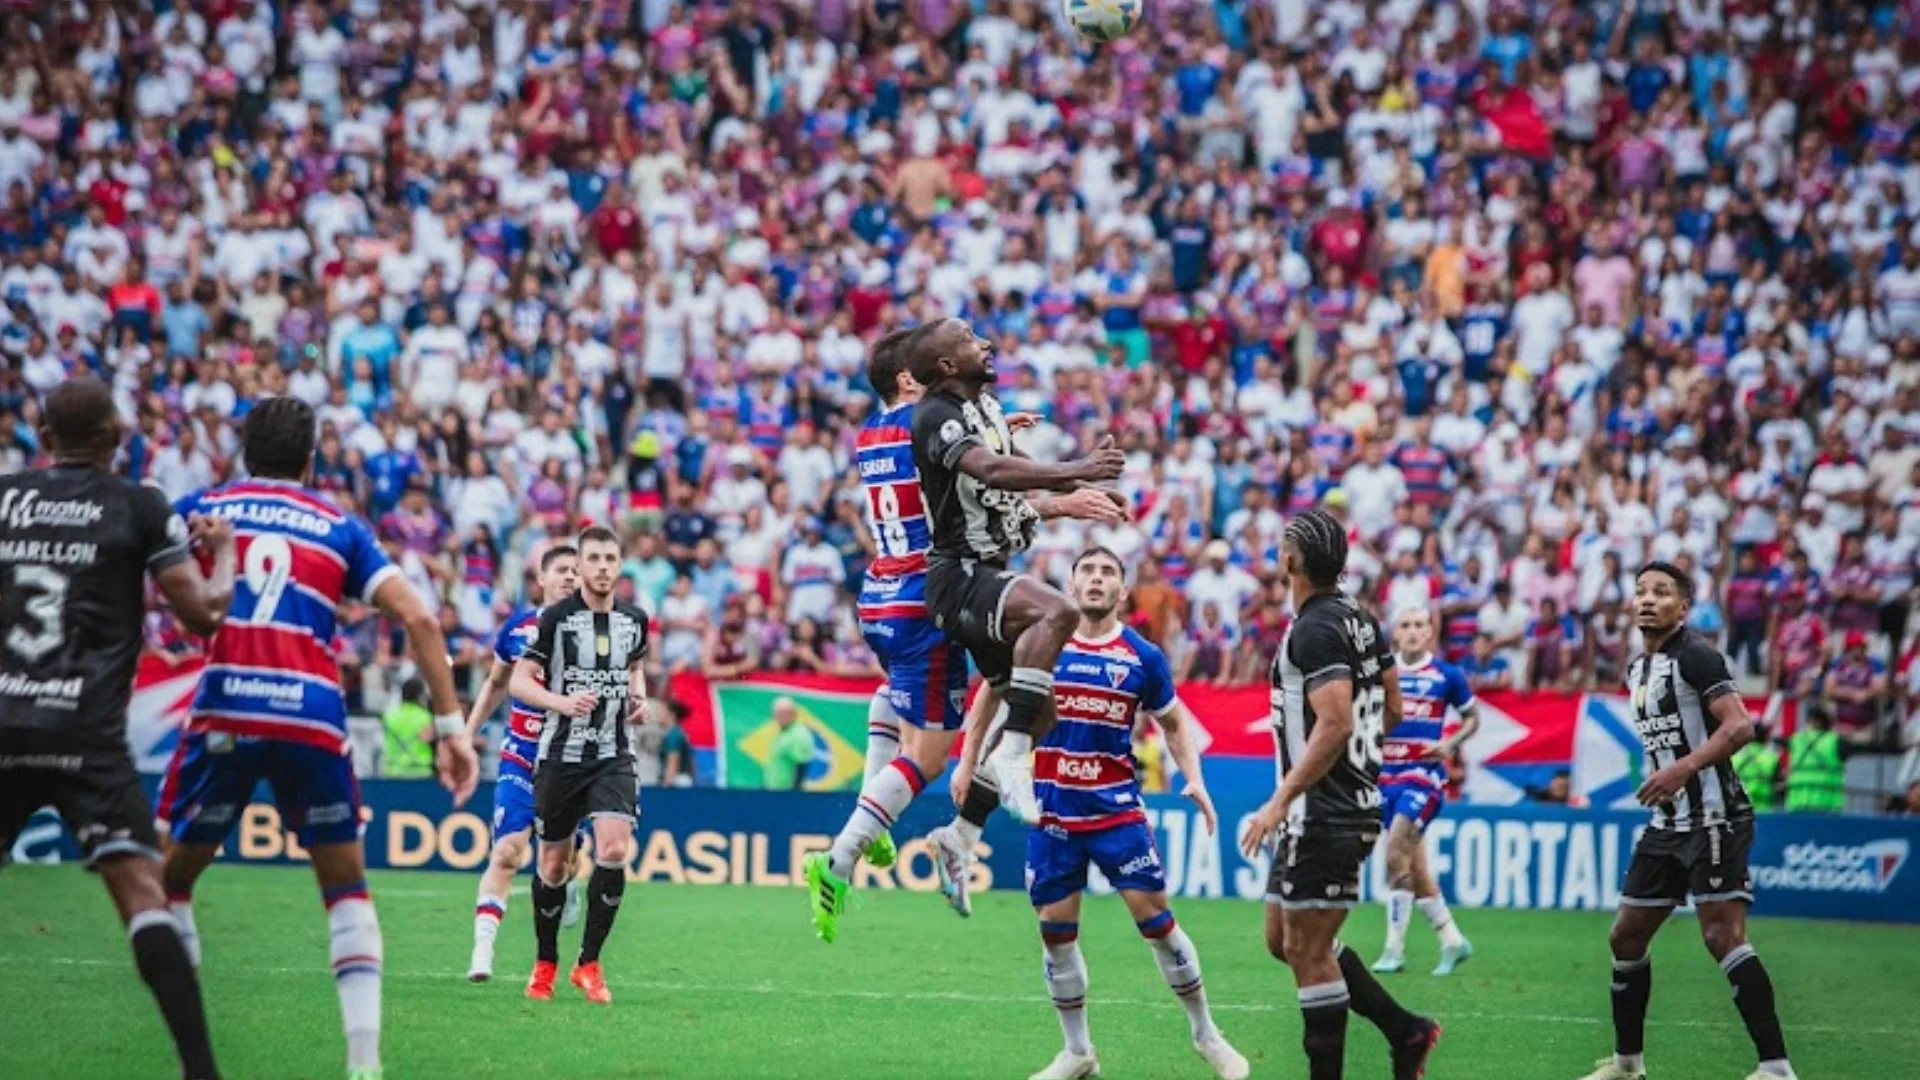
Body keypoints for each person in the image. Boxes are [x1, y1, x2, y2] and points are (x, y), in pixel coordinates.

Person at [158, 394, 477, 1080]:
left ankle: (192, 1057)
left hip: (226, 711)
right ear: (311, 457)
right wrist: (452, 728)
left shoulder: (200, 509)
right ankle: (364, 1064)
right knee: (346, 890)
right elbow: (420, 620)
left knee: (169, 883)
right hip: (310, 714)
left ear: (244, 451)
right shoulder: (339, 525)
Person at [805, 326, 1126, 939]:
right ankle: (843, 854)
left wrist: (999, 430)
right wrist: (1061, 484)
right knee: (930, 751)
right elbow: (980, 486)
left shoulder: (873, 432)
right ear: (911, 378)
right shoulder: (925, 423)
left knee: (1014, 698)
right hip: (925, 591)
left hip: (882, 588)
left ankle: (940, 831)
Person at [0, 377, 237, 1080]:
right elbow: (202, 617)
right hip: (84, 732)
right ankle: (201, 1072)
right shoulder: (139, 504)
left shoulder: (5, 496)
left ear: (44, 441)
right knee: (142, 895)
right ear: (117, 436)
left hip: (4, 721)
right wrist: (221, 552)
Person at [967, 547, 1248, 1080]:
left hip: (1116, 811)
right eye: (1087, 572)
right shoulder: (1040, 644)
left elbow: (1173, 723)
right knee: (1055, 932)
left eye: (1107, 574)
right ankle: (1077, 1052)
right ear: (1072, 587)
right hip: (1051, 813)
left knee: (1158, 924)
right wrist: (967, 764)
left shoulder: (1143, 657)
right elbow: (990, 695)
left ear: (1123, 591)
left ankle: (1206, 1034)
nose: (1096, 580)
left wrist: (1195, 779)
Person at [1239, 509, 1440, 1080]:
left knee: (1307, 951)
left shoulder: (1317, 628)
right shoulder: (1361, 619)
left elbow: (1334, 723)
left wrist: (1281, 799)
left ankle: (1375, 1052)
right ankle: (1407, 1030)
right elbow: (1393, 709)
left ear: (1291, 560)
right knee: (1284, 940)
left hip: (1322, 812)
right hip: (1333, 806)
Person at [900, 317, 1125, 824]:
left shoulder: (984, 407)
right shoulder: (936, 415)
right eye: (969, 340)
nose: (985, 343)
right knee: (1059, 611)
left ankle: (961, 835)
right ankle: (1011, 750)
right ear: (947, 364)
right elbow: (991, 469)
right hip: (959, 577)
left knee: (1041, 711)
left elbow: (1009, 459)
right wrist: (1078, 468)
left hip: (988, 576)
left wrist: (1076, 492)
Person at [1575, 562, 1795, 1080]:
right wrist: (1668, 777)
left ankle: (1777, 1068)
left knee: (1722, 936)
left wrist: (1683, 768)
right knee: (1626, 936)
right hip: (1668, 823)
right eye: (1641, 592)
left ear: (1683, 606)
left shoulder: (1696, 655)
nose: (1648, 600)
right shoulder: (1637, 669)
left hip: (1715, 817)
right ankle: (1628, 1066)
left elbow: (1740, 727)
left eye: (1662, 592)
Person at [508, 525, 650, 1005]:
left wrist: (639, 697)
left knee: (612, 849)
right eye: (595, 559)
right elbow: (519, 682)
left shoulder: (635, 620)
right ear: (582, 566)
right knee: (553, 865)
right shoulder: (555, 620)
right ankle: (545, 960)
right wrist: (561, 702)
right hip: (560, 756)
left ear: (620, 564)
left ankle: (588, 963)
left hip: (614, 753)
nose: (604, 567)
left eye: (612, 559)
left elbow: (634, 666)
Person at [460, 544, 584, 983]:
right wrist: (467, 732)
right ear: (543, 579)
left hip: (570, 759)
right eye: (563, 570)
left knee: (559, 863)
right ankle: (482, 951)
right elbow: (496, 684)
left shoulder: (594, 631)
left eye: (577, 570)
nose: (571, 577)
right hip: (521, 753)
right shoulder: (518, 628)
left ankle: (569, 881)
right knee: (508, 851)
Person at [1371, 607, 1476, 977]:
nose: (1413, 631)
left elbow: (1472, 718)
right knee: (1413, 866)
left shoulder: (1447, 675)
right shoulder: (1382, 675)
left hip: (1424, 776)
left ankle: (1393, 950)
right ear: (1394, 634)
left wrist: (1450, 745)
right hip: (1386, 777)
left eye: (1420, 625)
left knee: (1395, 849)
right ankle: (1452, 939)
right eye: (1406, 625)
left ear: (1431, 633)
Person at [380, 677, 434, 778]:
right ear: (420, 696)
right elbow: (426, 738)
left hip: (393, 769)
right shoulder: (426, 717)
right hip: (420, 770)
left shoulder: (389, 716)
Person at [765, 696, 815, 790]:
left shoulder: (798, 734)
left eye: (782, 713)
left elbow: (802, 764)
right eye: (776, 713)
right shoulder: (783, 733)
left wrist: (794, 794)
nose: (777, 717)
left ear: (793, 714)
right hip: (775, 791)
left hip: (787, 793)